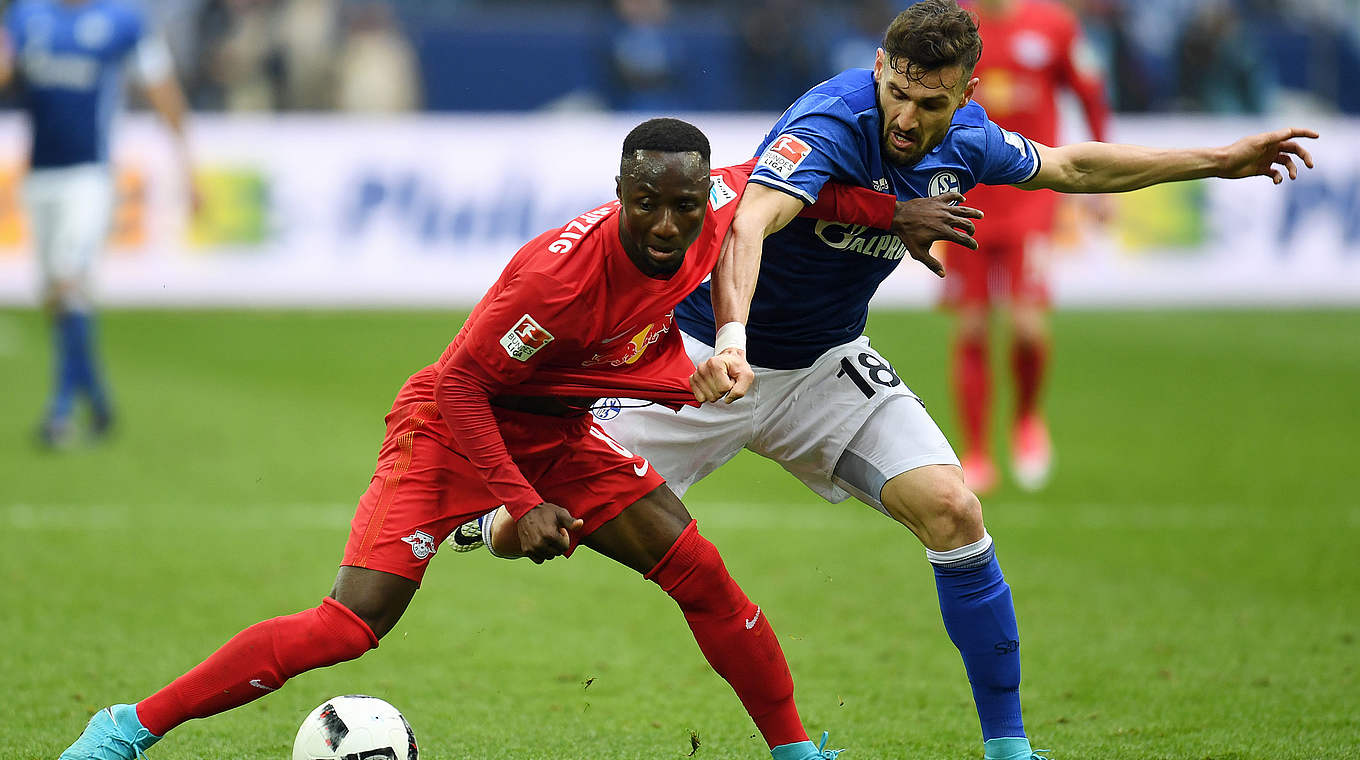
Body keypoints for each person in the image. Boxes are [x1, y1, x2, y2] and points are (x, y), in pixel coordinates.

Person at [458, 3, 1317, 760]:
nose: (906, 116)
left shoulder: (970, 141)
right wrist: (730, 337)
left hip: (827, 364)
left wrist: (1220, 159)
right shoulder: (831, 118)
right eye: (897, 91)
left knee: (956, 511)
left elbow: (1072, 168)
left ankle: (1008, 744)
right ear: (880, 68)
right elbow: (748, 222)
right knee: (524, 535)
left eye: (930, 101)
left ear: (966, 93)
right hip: (698, 364)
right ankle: (498, 503)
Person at [56, 118, 973, 760]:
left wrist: (895, 215)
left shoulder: (721, 203)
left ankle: (796, 751)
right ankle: (126, 729)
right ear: (619, 193)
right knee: (349, 625)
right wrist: (521, 503)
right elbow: (459, 383)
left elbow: (804, 195)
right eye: (646, 203)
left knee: (698, 573)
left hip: (561, 429)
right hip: (451, 429)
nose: (666, 224)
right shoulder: (556, 281)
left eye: (682, 207)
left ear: (705, 198)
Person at [0, 0, 195, 447]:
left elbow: (160, 87)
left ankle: (61, 411)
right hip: (38, 177)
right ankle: (101, 404)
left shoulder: (122, 22)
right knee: (57, 297)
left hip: (89, 176)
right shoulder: (27, 17)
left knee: (69, 281)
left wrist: (187, 161)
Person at [943, 0, 1112, 493]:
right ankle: (976, 451)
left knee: (1027, 326)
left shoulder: (1054, 24)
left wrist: (1101, 181)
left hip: (1030, 196)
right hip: (964, 194)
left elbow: (1092, 94)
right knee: (972, 325)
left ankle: (1027, 420)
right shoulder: (956, 25)